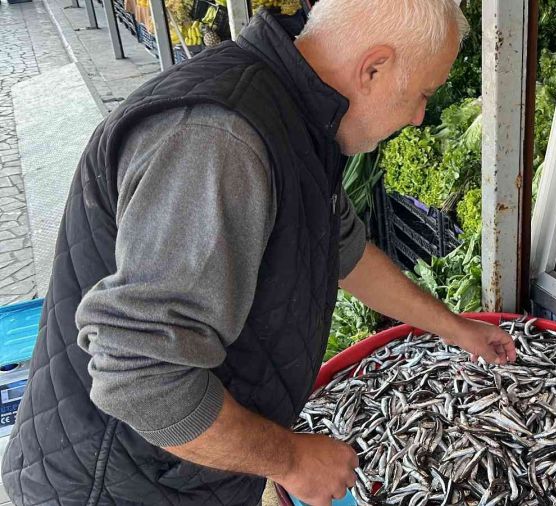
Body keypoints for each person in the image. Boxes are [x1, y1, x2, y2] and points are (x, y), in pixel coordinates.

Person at [0, 1, 516, 505]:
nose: (421, 116)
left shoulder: (300, 114)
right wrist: (292, 460)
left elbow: (341, 250)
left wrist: (454, 328)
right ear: (374, 68)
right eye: (421, 93)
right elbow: (142, 378)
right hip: (117, 483)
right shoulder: (222, 143)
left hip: (193, 469)